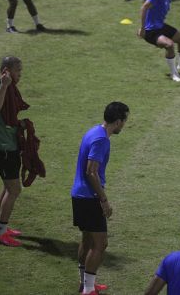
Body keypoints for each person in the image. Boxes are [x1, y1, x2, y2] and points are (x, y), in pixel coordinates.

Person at [71, 102, 129, 295]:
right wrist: (104, 200)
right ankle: (88, 290)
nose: (124, 125)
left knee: (87, 239)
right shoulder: (101, 140)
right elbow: (91, 172)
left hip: (79, 194)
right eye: (124, 121)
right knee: (100, 243)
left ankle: (84, 283)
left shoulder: (94, 131)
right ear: (119, 121)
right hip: (89, 197)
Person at [0, 56, 28, 247]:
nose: (20, 74)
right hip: (1, 148)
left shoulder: (9, 87)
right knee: (14, 189)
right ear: (6, 70)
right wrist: (3, 86)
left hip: (7, 145)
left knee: (7, 186)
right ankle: (1, 233)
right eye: (17, 70)